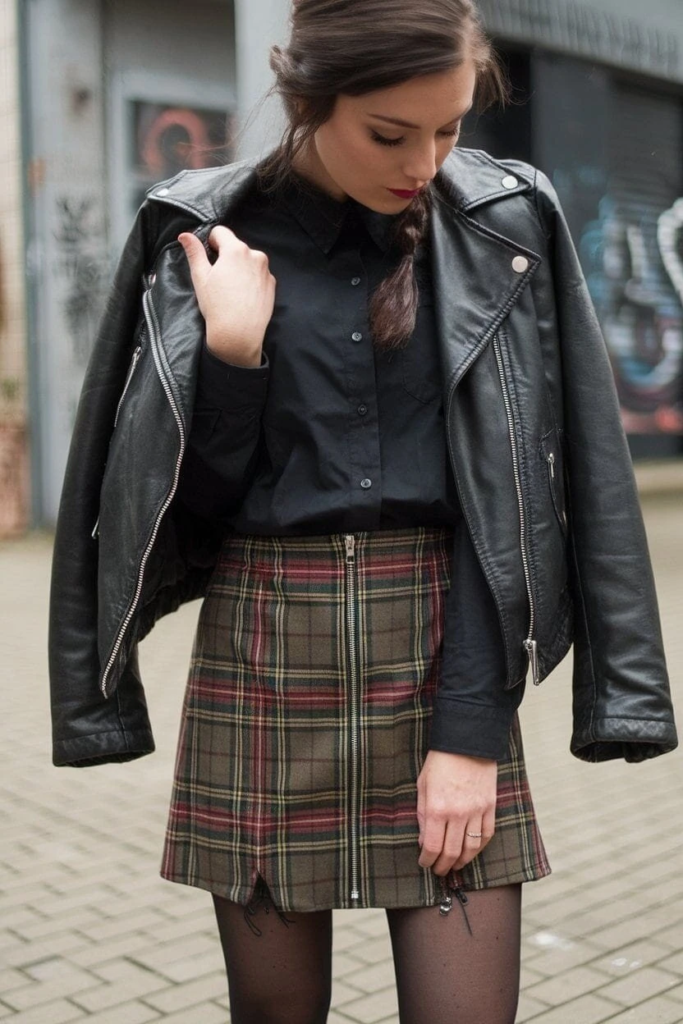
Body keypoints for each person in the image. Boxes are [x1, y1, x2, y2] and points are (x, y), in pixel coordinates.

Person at [48, 1, 678, 1021]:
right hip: (263, 654)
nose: (423, 162)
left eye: (450, 128)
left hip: (444, 648)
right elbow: (179, 522)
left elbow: (526, 490)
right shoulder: (198, 235)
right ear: (306, 98)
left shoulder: (503, 223)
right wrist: (233, 358)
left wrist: (471, 736)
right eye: (390, 133)